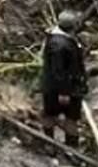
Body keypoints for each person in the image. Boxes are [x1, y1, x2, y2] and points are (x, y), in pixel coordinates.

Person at [39, 9, 90, 145]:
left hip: (68, 87)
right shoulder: (59, 45)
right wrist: (64, 92)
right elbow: (58, 70)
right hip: (60, 89)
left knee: (70, 117)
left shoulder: (65, 39)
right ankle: (51, 144)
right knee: (55, 115)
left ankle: (67, 147)